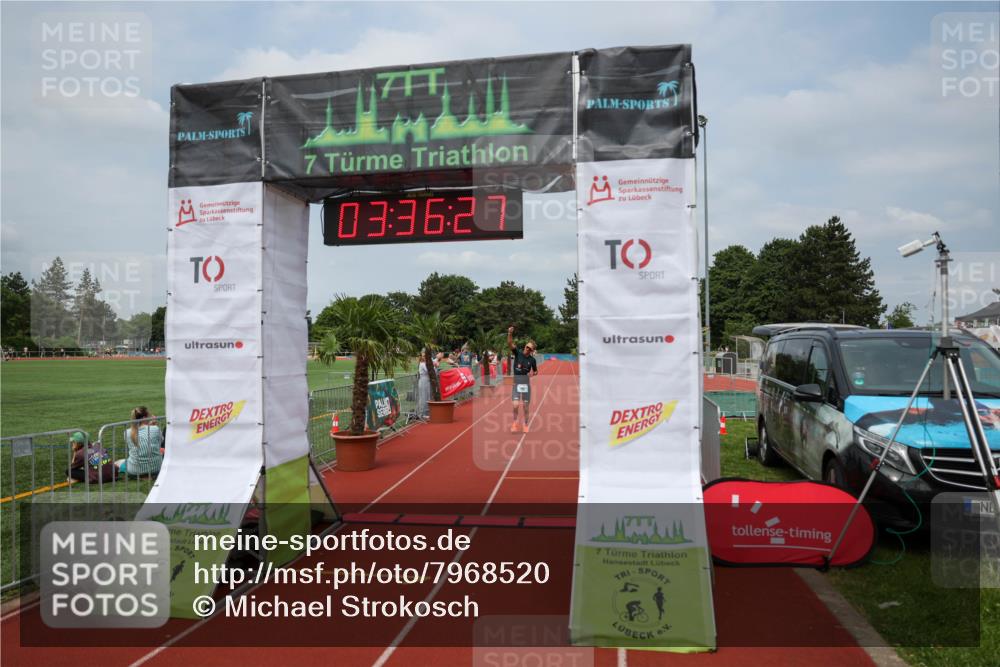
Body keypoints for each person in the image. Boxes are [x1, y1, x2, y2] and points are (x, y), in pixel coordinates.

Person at [116, 406, 163, 477]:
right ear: (144, 418)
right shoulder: (155, 429)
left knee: (118, 462)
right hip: (156, 468)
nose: (151, 417)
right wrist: (153, 425)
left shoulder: (127, 432)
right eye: (149, 415)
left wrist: (151, 425)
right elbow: (160, 441)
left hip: (135, 470)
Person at [507, 326, 538, 433]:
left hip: (525, 385)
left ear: (532, 351)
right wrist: (510, 333)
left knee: (525, 407)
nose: (527, 349)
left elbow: (536, 371)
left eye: (530, 348)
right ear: (525, 346)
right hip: (516, 384)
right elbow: (510, 344)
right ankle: (515, 423)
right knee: (515, 405)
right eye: (527, 346)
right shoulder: (518, 353)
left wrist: (532, 374)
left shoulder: (532, 360)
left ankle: (525, 424)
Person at [416, 351, 432, 419]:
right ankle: (422, 413)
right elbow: (428, 371)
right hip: (423, 380)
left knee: (427, 396)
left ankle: (426, 412)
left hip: (426, 380)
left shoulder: (425, 363)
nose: (425, 357)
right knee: (423, 397)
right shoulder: (422, 364)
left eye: (425, 356)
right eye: (423, 356)